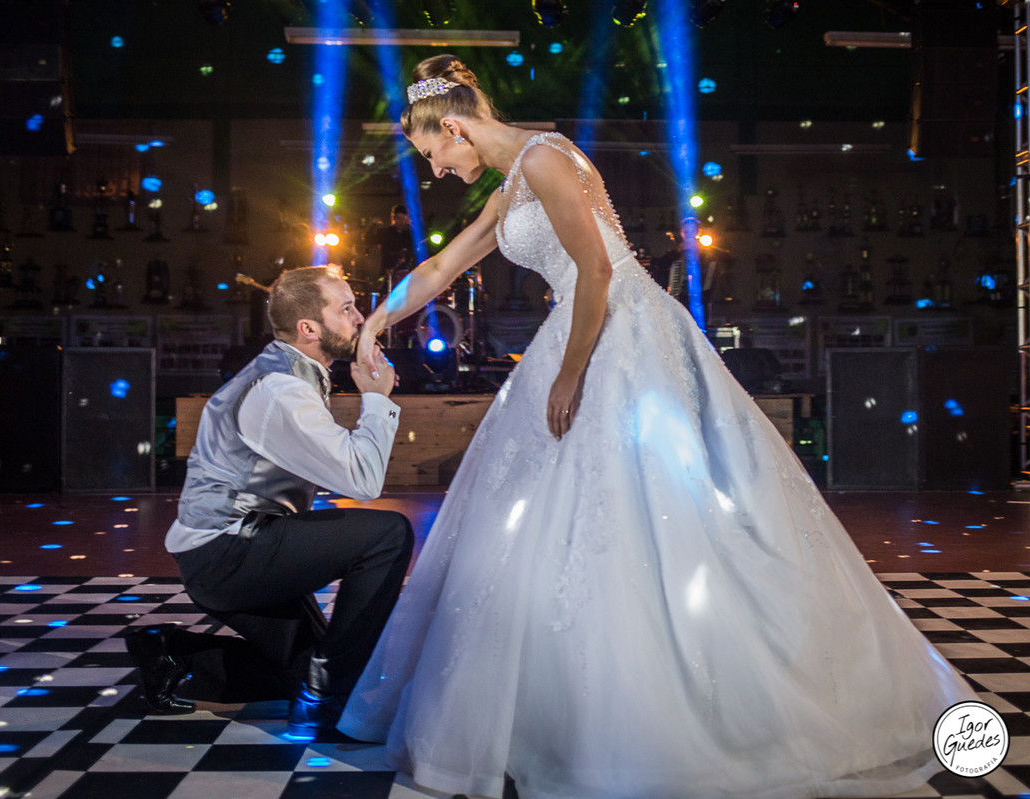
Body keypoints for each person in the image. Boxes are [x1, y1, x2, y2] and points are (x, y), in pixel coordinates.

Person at [337, 55, 976, 799]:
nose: (437, 171)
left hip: (619, 333)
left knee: (648, 500)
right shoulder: (513, 183)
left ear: (452, 126)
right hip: (582, 326)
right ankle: (566, 702)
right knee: (568, 511)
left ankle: (676, 696)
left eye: (432, 154)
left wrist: (571, 372)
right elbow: (443, 266)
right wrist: (373, 324)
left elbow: (597, 271)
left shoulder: (544, 157)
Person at [126, 265, 413, 741]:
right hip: (230, 553)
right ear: (309, 328)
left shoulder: (286, 371)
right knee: (388, 535)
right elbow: (363, 480)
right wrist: (377, 399)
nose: (360, 319)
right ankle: (325, 699)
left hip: (231, 549)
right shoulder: (281, 389)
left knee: (305, 669)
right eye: (346, 309)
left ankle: (173, 655)